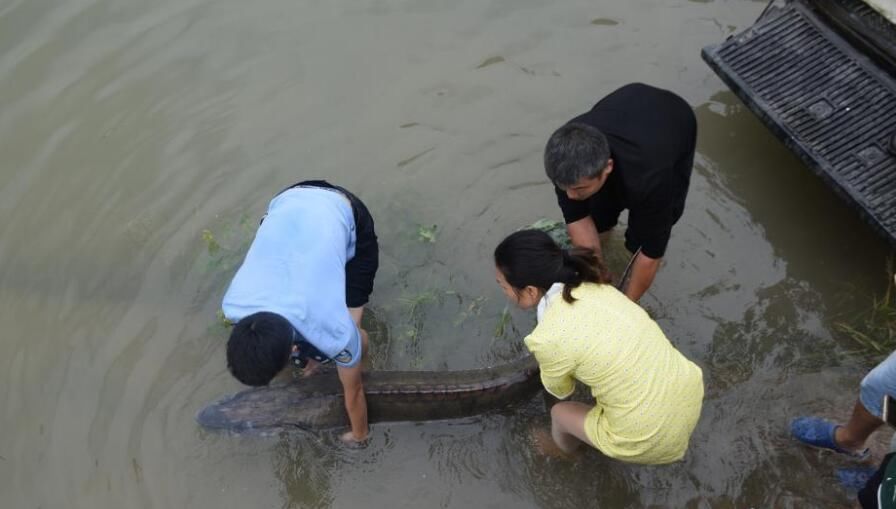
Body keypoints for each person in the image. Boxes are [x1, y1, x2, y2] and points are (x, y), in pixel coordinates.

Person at [493, 229, 704, 463]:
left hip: (648, 437)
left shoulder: (547, 338)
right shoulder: (597, 286)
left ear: (530, 291)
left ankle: (564, 452)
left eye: (503, 286)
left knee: (559, 414)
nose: (503, 292)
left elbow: (561, 390)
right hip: (690, 391)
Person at [221, 180, 378, 443]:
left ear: (291, 348)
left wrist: (359, 435)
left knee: (355, 334)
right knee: (321, 350)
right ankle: (316, 359)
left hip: (342, 209)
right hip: (287, 201)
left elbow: (354, 393)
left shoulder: (335, 331)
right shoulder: (234, 306)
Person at [544, 82, 697, 302]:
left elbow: (650, 256)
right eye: (563, 188)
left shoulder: (653, 178)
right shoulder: (565, 156)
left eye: (578, 189)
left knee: (640, 240)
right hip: (627, 103)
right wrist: (596, 274)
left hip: (674, 120)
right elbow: (578, 217)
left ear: (607, 167)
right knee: (598, 218)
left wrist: (624, 305)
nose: (569, 196)